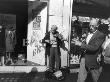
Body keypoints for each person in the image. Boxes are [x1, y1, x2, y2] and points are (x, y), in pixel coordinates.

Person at [98, 17, 110, 82]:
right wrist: (100, 54)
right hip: (103, 65)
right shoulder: (107, 36)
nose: (108, 25)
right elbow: (103, 48)